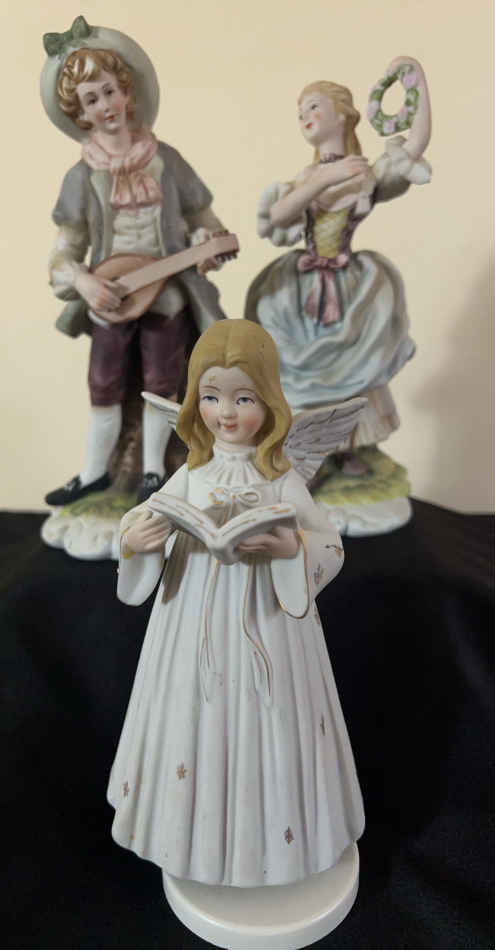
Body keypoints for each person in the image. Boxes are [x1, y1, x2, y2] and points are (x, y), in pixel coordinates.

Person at [108, 319, 364, 887]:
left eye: (243, 398)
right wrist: (135, 539)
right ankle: (191, 839)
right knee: (191, 722)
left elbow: (329, 544)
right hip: (191, 620)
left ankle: (276, 846)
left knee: (270, 725)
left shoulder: (280, 475)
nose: (225, 413)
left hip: (267, 628)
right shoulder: (192, 471)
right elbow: (141, 519)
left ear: (268, 400)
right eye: (211, 396)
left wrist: (289, 549)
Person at [40, 17, 228, 505]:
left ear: (126, 91)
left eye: (109, 91)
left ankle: (152, 471)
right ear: (79, 112)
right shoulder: (82, 177)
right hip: (112, 295)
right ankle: (92, 473)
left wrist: (208, 241)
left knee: (163, 380)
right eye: (91, 100)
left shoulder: (167, 161)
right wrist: (84, 282)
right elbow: (63, 251)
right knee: (103, 382)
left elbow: (202, 220)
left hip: (166, 294)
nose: (104, 106)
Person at [245, 57, 431, 476]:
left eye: (314, 106)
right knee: (300, 368)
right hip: (303, 284)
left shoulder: (365, 172)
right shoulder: (308, 175)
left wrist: (415, 82)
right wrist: (324, 179)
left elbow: (415, 145)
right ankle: (300, 450)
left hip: (348, 282)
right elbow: (279, 215)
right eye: (300, 112)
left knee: (350, 363)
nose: (305, 117)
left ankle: (345, 446)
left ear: (342, 113)